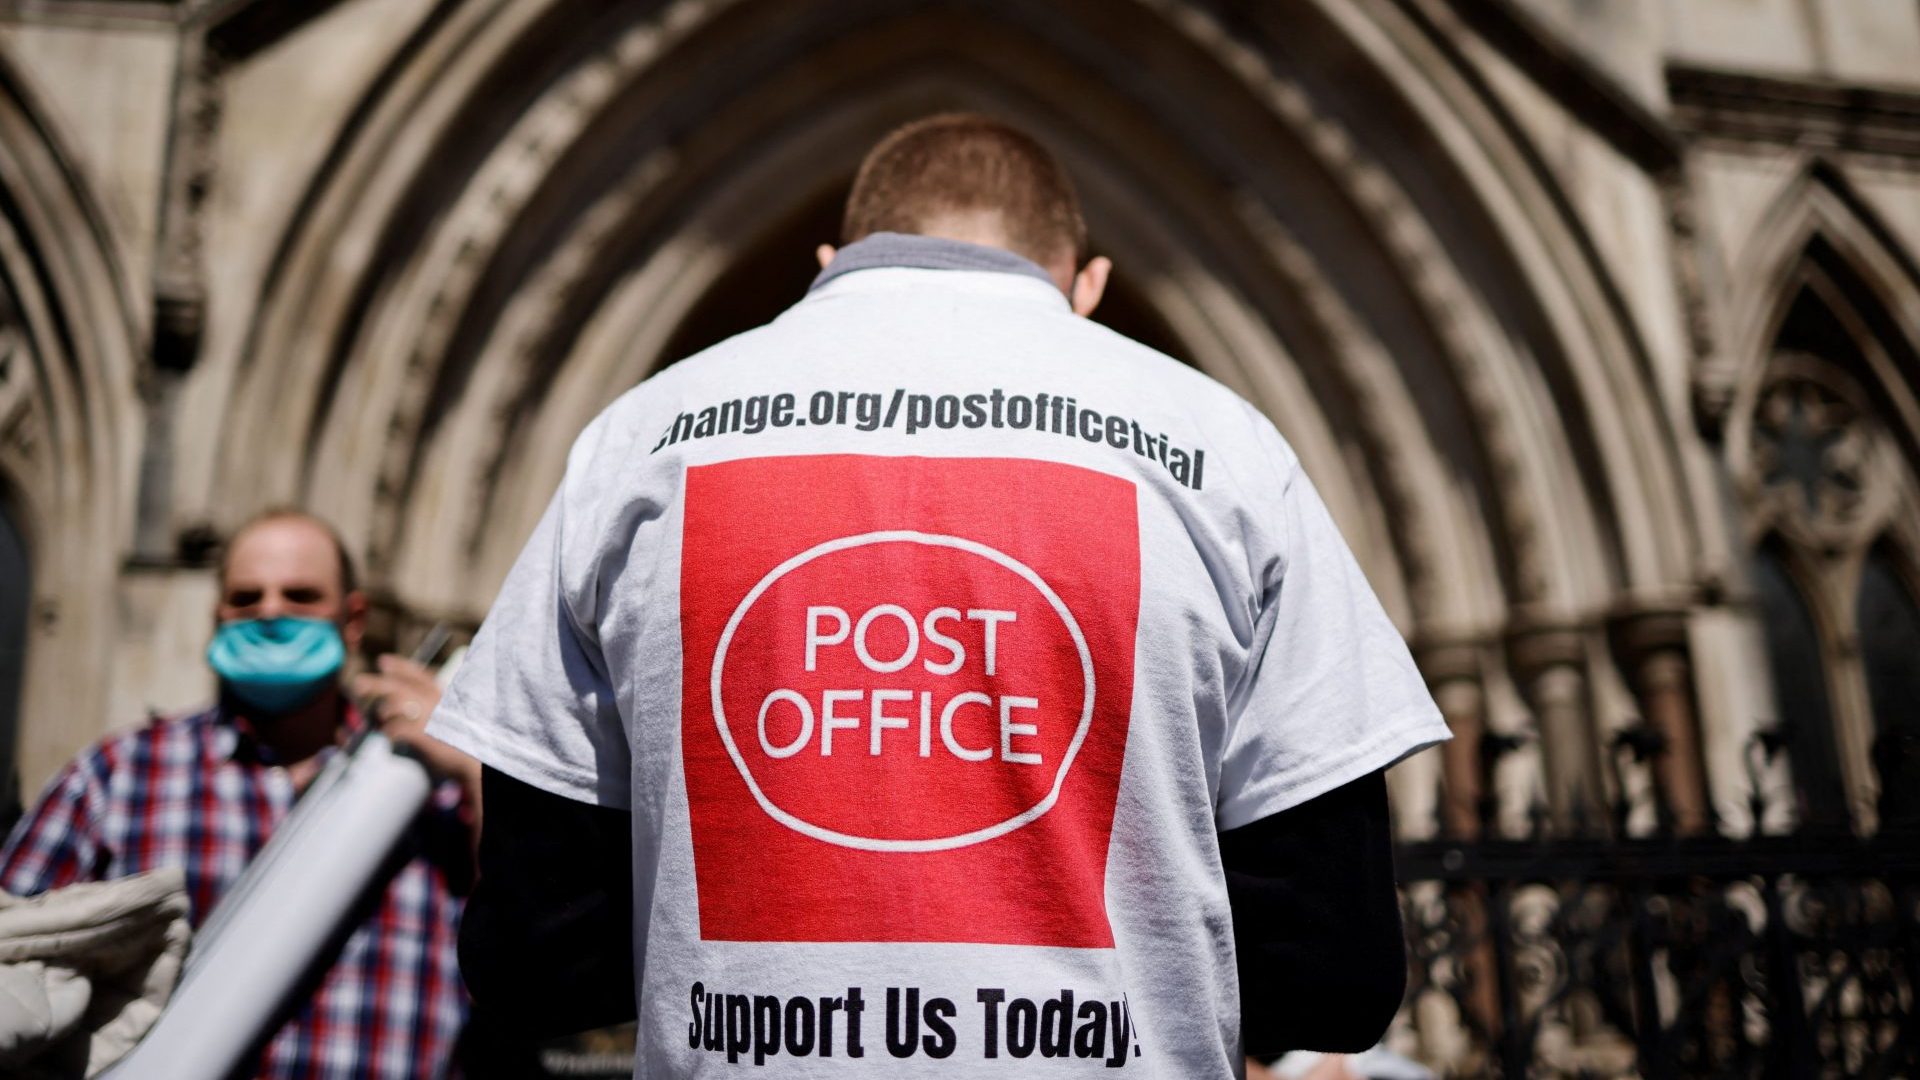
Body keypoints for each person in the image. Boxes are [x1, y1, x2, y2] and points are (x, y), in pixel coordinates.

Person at [433, 113, 1450, 1076]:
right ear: (1086, 285)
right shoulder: (1225, 450)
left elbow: (541, 953)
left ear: (828, 272)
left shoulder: (639, 441)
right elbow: (1331, 973)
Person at [0, 508, 478, 1078]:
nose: (271, 612)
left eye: (300, 596)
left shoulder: (436, 795)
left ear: (353, 620)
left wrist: (474, 768)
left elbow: (544, 936)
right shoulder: (116, 778)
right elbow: (15, 954)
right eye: (247, 598)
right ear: (217, 617)